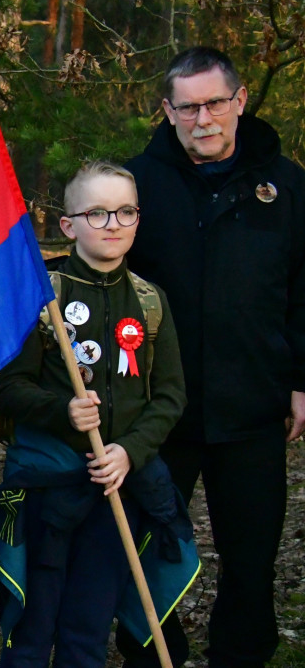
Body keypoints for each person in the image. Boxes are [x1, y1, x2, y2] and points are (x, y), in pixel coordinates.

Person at [121, 46, 305, 667]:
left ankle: (241, 655)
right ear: (167, 110)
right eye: (188, 107)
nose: (203, 119)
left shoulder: (288, 185)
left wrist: (301, 379)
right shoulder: (134, 186)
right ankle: (153, 655)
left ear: (240, 101)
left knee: (251, 558)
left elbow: (304, 291)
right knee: (148, 549)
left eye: (216, 104)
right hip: (154, 411)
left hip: (253, 404)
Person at [0, 161, 192, 666]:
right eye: (96, 213)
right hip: (48, 489)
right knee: (32, 628)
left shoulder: (150, 301)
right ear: (68, 225)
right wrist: (63, 411)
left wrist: (130, 451)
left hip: (116, 491)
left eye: (125, 212)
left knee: (89, 628)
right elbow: (10, 389)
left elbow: (170, 396)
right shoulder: (43, 295)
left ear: (138, 219)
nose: (112, 224)